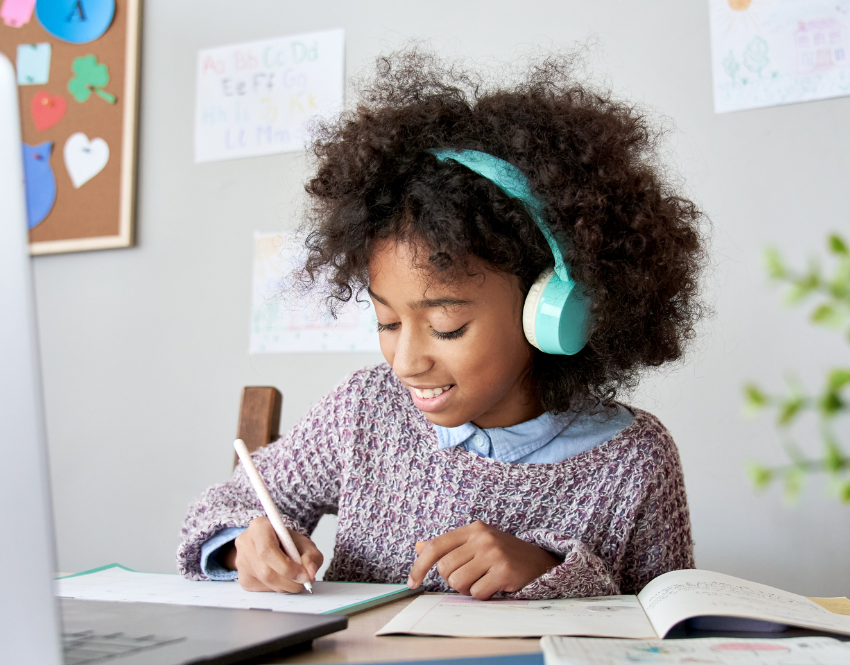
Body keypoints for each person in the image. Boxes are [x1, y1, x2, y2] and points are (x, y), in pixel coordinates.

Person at [177, 49, 706, 600]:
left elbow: (667, 626)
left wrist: (549, 573)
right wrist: (248, 543)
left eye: (447, 326)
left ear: (550, 309)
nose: (407, 362)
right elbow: (224, 506)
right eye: (386, 322)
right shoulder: (366, 412)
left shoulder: (633, 461)